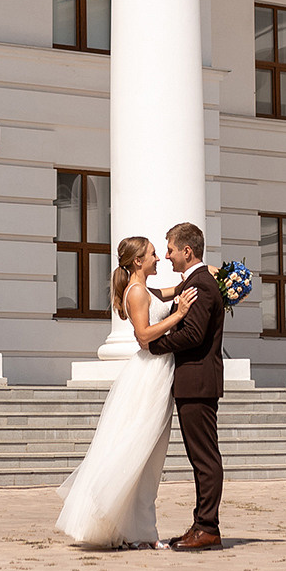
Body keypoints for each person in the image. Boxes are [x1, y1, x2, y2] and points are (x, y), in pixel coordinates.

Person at [53, 235, 197, 550]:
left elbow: (175, 291)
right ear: (138, 261)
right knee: (140, 451)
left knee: (148, 455)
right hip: (149, 375)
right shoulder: (136, 293)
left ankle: (139, 530)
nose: (159, 258)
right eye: (154, 254)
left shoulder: (146, 290)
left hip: (158, 373)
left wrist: (211, 272)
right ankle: (137, 532)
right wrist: (179, 315)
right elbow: (144, 336)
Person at [152, 221, 225, 549]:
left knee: (204, 458)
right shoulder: (193, 282)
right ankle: (201, 524)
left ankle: (208, 527)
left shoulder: (202, 285)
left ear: (187, 250)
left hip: (198, 381)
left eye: (170, 249)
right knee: (200, 458)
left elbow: (194, 334)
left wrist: (156, 345)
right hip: (192, 381)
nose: (166, 255)